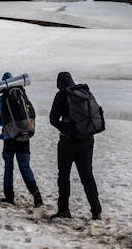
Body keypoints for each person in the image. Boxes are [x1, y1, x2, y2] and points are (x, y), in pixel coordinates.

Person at [49, 71, 101, 220]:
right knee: (87, 176)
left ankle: (64, 210)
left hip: (68, 141)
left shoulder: (61, 95)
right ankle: (96, 211)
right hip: (87, 140)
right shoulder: (83, 92)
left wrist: (63, 127)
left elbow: (53, 119)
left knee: (64, 176)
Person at [0, 72, 43, 207]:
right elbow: (31, 114)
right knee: (25, 166)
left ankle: (9, 197)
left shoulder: (1, 99)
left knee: (8, 167)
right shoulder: (22, 95)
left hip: (9, 137)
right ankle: (36, 194)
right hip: (24, 136)